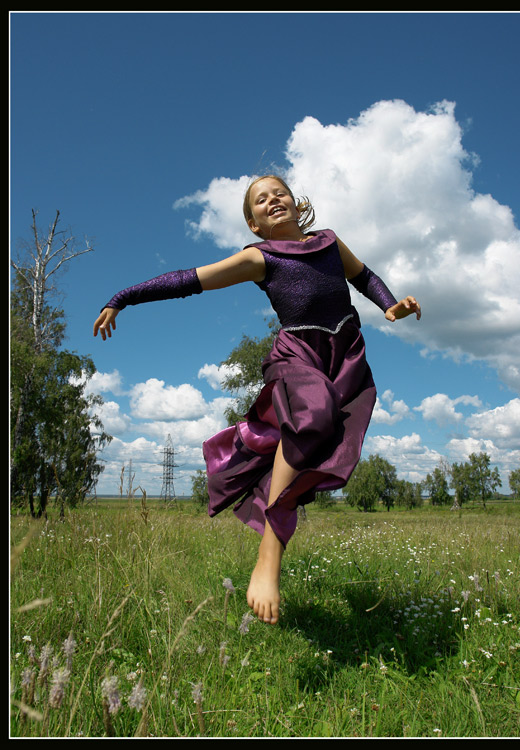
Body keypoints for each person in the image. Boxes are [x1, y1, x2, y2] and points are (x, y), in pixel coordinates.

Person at [93, 174, 421, 625]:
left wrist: (389, 306)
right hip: (296, 355)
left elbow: (363, 277)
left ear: (294, 201)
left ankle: (275, 488)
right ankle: (269, 552)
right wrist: (123, 297)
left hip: (344, 353)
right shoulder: (259, 258)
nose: (273, 201)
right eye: (261, 200)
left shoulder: (328, 243)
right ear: (254, 223)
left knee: (326, 434)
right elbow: (190, 279)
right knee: (313, 413)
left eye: (279, 193)